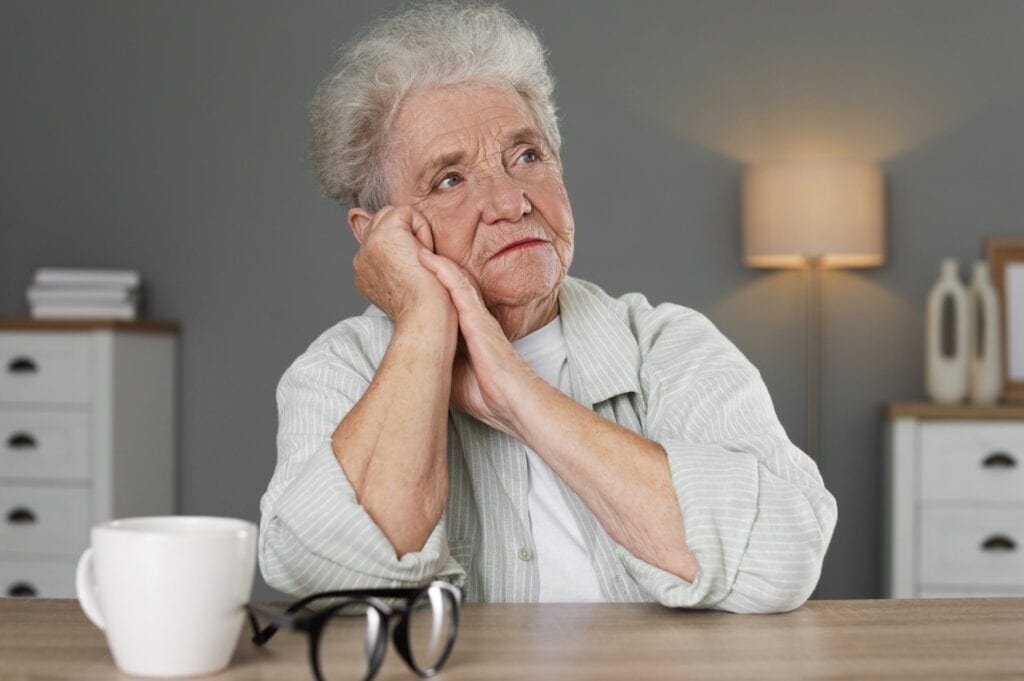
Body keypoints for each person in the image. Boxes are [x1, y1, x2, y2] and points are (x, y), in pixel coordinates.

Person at [259, 2, 837, 614]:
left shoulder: (669, 346)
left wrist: (517, 396)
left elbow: (780, 558)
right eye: (450, 180)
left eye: (527, 157)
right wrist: (425, 321)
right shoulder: (341, 369)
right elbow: (327, 578)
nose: (511, 202)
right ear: (377, 234)